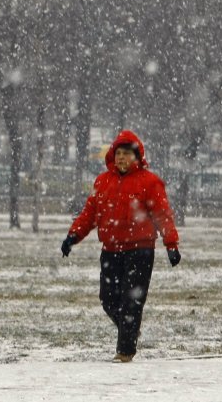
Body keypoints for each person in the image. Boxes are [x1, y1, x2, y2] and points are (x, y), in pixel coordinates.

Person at [60, 129, 181, 363]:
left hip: (140, 250)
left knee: (131, 301)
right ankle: (130, 330)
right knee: (108, 299)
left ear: (137, 156)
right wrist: (72, 236)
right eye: (118, 154)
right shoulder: (103, 181)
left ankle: (124, 352)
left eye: (126, 154)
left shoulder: (150, 182)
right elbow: (90, 214)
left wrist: (171, 244)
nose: (121, 158)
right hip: (111, 250)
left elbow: (162, 215)